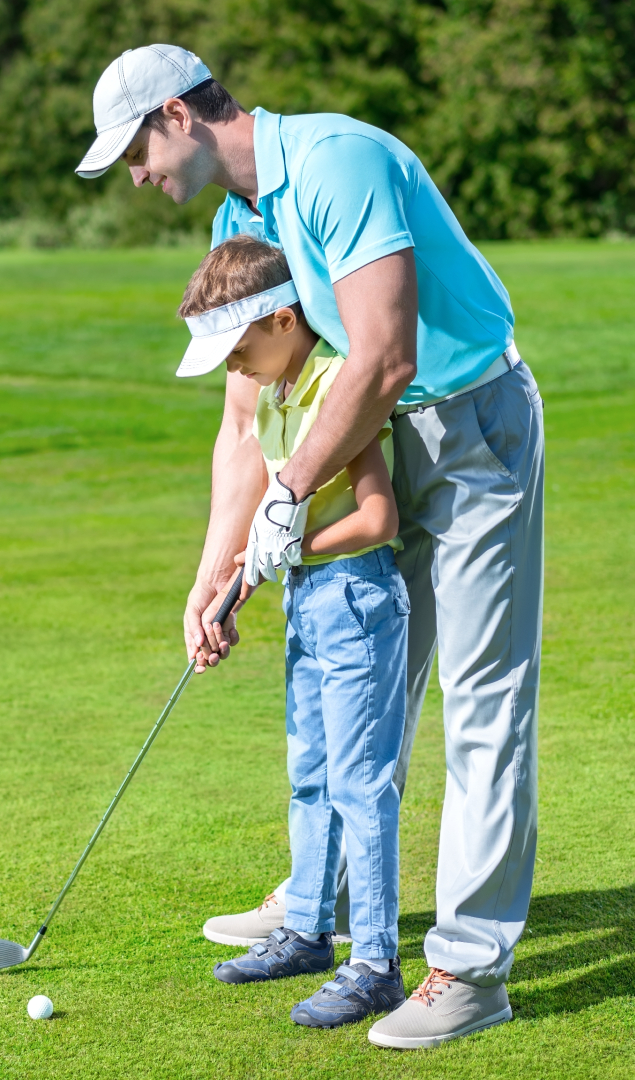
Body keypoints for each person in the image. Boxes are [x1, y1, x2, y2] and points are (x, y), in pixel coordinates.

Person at [76, 45, 543, 1050]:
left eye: (135, 151)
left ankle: (469, 967)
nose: (136, 175)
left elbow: (388, 353)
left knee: (481, 694)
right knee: (373, 683)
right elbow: (247, 412)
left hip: (470, 427)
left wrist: (291, 496)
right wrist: (216, 573)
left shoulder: (336, 162)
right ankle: (313, 906)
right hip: (371, 429)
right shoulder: (236, 221)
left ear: (178, 114)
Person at [179, 235, 409, 1028]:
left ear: (282, 321)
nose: (234, 369)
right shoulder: (276, 395)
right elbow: (276, 527)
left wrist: (293, 546)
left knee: (359, 783)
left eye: (239, 349)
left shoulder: (337, 385)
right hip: (309, 602)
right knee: (309, 774)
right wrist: (233, 589)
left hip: (359, 600)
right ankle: (307, 930)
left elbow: (379, 518)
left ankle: (376, 961)